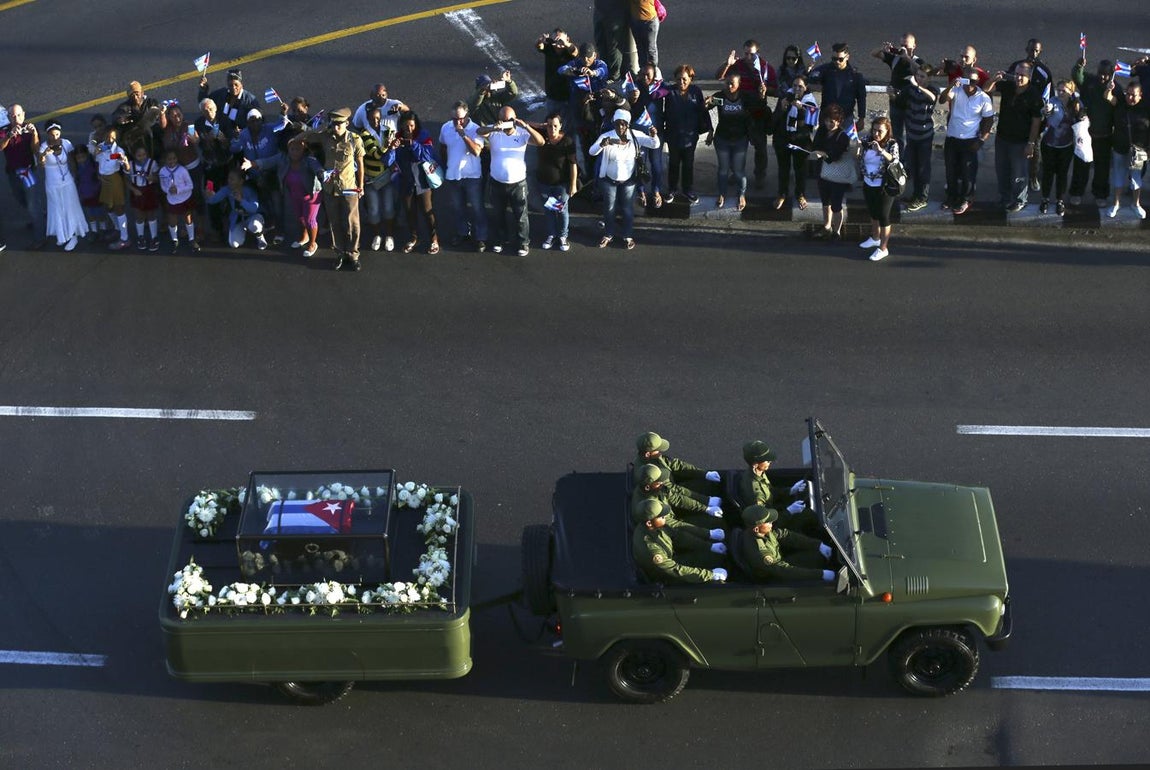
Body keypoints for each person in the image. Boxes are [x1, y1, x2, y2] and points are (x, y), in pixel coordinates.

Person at [302, 107, 365, 269]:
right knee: (334, 223)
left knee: (352, 224)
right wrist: (320, 128)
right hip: (330, 188)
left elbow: (360, 164)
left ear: (347, 123)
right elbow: (304, 137)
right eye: (333, 123)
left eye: (339, 124)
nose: (336, 127)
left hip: (349, 187)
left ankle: (353, 254)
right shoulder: (325, 137)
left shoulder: (354, 139)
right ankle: (340, 253)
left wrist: (361, 185)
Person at [477, 107, 544, 256]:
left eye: (510, 120)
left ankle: (523, 242)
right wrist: (493, 127)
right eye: (504, 120)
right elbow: (479, 131)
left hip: (518, 183)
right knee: (498, 214)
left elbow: (541, 142)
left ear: (515, 119)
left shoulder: (522, 133)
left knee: (521, 217)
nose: (507, 123)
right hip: (496, 182)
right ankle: (499, 240)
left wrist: (526, 126)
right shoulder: (495, 131)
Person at [590, 108, 659, 249]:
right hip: (609, 180)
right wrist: (602, 145)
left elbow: (654, 144)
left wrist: (654, 136)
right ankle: (608, 234)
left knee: (627, 209)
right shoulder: (607, 136)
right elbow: (592, 151)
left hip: (629, 181)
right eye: (617, 124)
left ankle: (627, 235)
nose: (620, 127)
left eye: (623, 124)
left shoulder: (635, 135)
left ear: (628, 124)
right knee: (609, 208)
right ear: (613, 123)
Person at [716, 40, 777, 189]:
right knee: (735, 145)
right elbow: (719, 76)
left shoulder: (766, 68)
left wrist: (766, 90)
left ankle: (760, 176)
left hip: (757, 113)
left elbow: (776, 90)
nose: (748, 57)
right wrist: (727, 64)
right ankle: (735, 172)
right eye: (746, 54)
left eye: (752, 54)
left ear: (758, 53)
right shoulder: (738, 66)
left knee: (760, 147)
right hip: (740, 112)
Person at [985, 63, 1044, 212]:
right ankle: (1004, 197)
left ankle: (1020, 200)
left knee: (1019, 173)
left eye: (1023, 75)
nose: (1019, 78)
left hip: (1020, 141)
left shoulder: (1034, 95)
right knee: (1002, 171)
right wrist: (994, 79)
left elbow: (1036, 121)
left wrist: (1031, 143)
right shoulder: (1008, 86)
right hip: (1002, 138)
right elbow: (986, 89)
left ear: (1029, 77)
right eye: (1017, 74)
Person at [632, 497, 728, 585]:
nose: (665, 517)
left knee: (714, 557)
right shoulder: (651, 548)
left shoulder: (655, 526)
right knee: (716, 578)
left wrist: (709, 546)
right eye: (661, 517)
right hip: (667, 577)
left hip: (671, 561)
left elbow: (679, 537)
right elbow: (675, 570)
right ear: (649, 523)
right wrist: (710, 575)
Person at [705, 73, 761, 211]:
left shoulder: (744, 98)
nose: (729, 86)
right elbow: (705, 109)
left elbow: (758, 108)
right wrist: (707, 103)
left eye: (732, 84)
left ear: (739, 84)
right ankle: (722, 193)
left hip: (740, 139)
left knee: (738, 171)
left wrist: (762, 94)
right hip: (722, 139)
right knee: (723, 169)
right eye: (727, 83)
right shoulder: (721, 97)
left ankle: (741, 194)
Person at [941, 69, 994, 215]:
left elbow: (989, 120)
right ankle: (951, 196)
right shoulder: (956, 90)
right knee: (950, 170)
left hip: (970, 141)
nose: (970, 84)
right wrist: (951, 85)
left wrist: (982, 140)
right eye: (967, 80)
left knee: (967, 172)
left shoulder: (983, 98)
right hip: (952, 138)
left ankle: (966, 199)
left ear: (978, 82)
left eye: (973, 81)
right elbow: (942, 99)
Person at [233, 107, 289, 242]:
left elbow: (282, 124)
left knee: (276, 202)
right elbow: (234, 148)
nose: (255, 123)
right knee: (264, 201)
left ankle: (280, 231)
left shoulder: (269, 129)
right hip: (255, 176)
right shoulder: (244, 134)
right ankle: (269, 223)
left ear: (261, 120)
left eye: (258, 120)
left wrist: (283, 114)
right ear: (247, 123)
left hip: (271, 173)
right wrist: (235, 139)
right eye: (252, 121)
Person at [736, 441, 817, 535]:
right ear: (755, 464)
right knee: (810, 515)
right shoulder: (756, 495)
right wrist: (789, 511)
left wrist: (791, 490)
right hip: (776, 525)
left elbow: (770, 492)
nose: (770, 462)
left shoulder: (758, 473)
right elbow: (765, 524)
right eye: (766, 460)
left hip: (777, 510)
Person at [1070, 57, 1121, 206]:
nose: (1102, 77)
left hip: (1105, 136)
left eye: (1106, 74)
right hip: (1086, 134)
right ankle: (1076, 192)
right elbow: (1077, 76)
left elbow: (1119, 106)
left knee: (1102, 168)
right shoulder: (1090, 81)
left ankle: (1100, 194)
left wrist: (1111, 94)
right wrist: (1079, 65)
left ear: (1112, 74)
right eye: (1100, 73)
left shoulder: (1116, 88)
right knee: (1081, 165)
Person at [738, 506, 835, 584]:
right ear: (756, 529)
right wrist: (821, 574)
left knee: (818, 555)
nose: (772, 523)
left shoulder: (762, 532)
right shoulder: (760, 553)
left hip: (780, 564)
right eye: (768, 522)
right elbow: (783, 571)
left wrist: (818, 545)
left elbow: (785, 535)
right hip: (776, 579)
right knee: (818, 560)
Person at [438, 101, 486, 251]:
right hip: (453, 175)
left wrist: (463, 134)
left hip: (472, 176)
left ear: (467, 115)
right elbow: (443, 147)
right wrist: (446, 165)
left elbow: (476, 151)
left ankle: (480, 237)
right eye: (454, 119)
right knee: (458, 208)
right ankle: (463, 232)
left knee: (477, 208)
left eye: (461, 119)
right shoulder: (446, 128)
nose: (458, 122)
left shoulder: (476, 129)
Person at [661, 64, 711, 205]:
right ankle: (672, 189)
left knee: (688, 164)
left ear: (690, 79)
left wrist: (710, 129)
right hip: (673, 136)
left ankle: (688, 189)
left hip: (690, 136)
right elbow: (656, 94)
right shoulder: (669, 91)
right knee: (674, 163)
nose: (681, 82)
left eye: (684, 79)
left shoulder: (696, 91)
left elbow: (703, 111)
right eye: (678, 79)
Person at [392, 111, 440, 255]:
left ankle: (434, 239)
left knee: (427, 211)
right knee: (409, 211)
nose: (409, 129)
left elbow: (426, 155)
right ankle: (414, 238)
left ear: (416, 125)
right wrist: (392, 148)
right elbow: (389, 160)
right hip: (406, 180)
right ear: (401, 125)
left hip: (422, 180)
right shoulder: (396, 137)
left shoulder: (423, 135)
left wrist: (412, 144)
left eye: (412, 126)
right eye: (406, 126)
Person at [0, 105, 47, 248]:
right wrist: (9, 136)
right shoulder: (4, 131)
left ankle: (40, 237)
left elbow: (36, 150)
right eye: (13, 116)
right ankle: (39, 216)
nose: (17, 119)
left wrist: (34, 134)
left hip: (28, 171)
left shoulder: (30, 129)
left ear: (24, 114)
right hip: (12, 172)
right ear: (9, 117)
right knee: (20, 197)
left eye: (19, 115)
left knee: (33, 205)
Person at [37, 123, 88, 251]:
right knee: (57, 209)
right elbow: (41, 164)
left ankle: (73, 236)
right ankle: (62, 235)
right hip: (52, 184)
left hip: (68, 182)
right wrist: (44, 155)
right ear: (47, 134)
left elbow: (72, 160)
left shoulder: (66, 143)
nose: (55, 137)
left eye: (57, 134)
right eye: (52, 135)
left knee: (69, 208)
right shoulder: (43, 147)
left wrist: (76, 176)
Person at [771, 75, 819, 210]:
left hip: (801, 140)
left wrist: (801, 110)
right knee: (783, 169)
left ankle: (800, 194)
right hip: (784, 138)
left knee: (800, 170)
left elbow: (811, 124)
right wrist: (782, 108)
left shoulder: (810, 102)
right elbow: (775, 119)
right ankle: (782, 193)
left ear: (806, 88)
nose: (797, 89)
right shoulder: (786, 97)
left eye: (800, 86)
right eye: (794, 86)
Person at [871, 34, 925, 151]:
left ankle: (910, 158)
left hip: (912, 104)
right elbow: (874, 53)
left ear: (914, 46)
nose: (903, 48)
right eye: (901, 45)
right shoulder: (895, 59)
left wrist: (907, 58)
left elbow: (923, 72)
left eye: (906, 46)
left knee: (912, 134)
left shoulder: (917, 61)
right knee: (897, 135)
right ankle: (898, 157)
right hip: (895, 101)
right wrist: (882, 48)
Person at [896, 69, 940, 211]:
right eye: (917, 75)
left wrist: (918, 86)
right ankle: (915, 195)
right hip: (911, 134)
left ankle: (922, 198)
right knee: (914, 167)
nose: (918, 78)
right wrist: (892, 95)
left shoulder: (932, 89)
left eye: (922, 76)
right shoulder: (910, 89)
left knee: (923, 168)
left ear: (929, 78)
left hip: (925, 136)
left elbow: (932, 98)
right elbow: (900, 102)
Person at [1038, 81, 1084, 216]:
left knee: (1062, 174)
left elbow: (1082, 117)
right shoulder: (1053, 101)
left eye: (1064, 90)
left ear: (1071, 91)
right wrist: (1046, 110)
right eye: (1058, 90)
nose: (1060, 93)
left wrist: (1082, 115)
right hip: (1049, 144)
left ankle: (1060, 200)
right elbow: (1045, 111)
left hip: (1066, 145)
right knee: (1048, 173)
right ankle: (1045, 199)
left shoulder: (1076, 103)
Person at [858, 117, 900, 262]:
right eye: (874, 130)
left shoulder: (892, 144)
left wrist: (881, 151)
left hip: (884, 185)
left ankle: (883, 248)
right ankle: (875, 237)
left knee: (883, 216)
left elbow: (895, 160)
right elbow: (859, 156)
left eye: (880, 131)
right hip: (868, 182)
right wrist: (858, 148)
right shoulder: (867, 140)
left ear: (887, 131)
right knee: (873, 212)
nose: (876, 134)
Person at [810, 103, 855, 239]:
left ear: (839, 121)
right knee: (825, 202)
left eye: (833, 121)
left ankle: (837, 231)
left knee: (836, 204)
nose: (829, 124)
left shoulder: (842, 136)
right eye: (827, 120)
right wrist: (817, 152)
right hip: (822, 172)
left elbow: (836, 156)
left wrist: (823, 154)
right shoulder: (822, 131)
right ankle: (827, 226)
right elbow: (815, 145)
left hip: (837, 176)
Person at [534, 111, 577, 251]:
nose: (552, 129)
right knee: (549, 210)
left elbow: (573, 164)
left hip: (561, 185)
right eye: (549, 126)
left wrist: (573, 184)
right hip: (544, 183)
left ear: (560, 126)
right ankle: (552, 234)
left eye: (555, 126)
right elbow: (524, 125)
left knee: (561, 210)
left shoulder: (567, 141)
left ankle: (563, 236)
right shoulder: (542, 136)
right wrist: (540, 126)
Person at [1107, 81, 1150, 219]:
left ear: (1140, 95)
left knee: (1136, 179)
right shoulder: (1120, 104)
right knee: (1118, 176)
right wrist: (1109, 89)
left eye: (1133, 95)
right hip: (1120, 148)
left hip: (1138, 151)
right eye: (1128, 94)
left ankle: (1136, 204)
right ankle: (1116, 204)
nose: (1130, 97)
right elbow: (1108, 97)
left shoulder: (1146, 109)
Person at [632, 463, 722, 528]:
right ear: (647, 487)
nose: (662, 483)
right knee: (715, 523)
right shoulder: (650, 507)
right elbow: (673, 525)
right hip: (672, 529)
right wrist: (709, 536)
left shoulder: (655, 490)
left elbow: (677, 499)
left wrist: (706, 507)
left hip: (671, 515)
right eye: (658, 482)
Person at [277, 137, 325, 257]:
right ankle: (305, 237)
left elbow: (318, 168)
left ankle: (312, 244)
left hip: (311, 195)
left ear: (304, 150)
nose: (294, 152)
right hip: (295, 194)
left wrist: (321, 174)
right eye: (292, 149)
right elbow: (267, 161)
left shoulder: (310, 160)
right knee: (300, 217)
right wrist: (252, 163)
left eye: (298, 149)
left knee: (310, 220)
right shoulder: (284, 159)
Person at [630, 62, 669, 209]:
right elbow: (627, 103)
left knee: (656, 163)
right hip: (639, 133)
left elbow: (667, 91)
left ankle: (656, 190)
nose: (645, 77)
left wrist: (655, 92)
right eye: (643, 74)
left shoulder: (659, 86)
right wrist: (633, 98)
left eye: (649, 75)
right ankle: (640, 191)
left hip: (655, 133)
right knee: (640, 163)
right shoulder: (634, 86)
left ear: (654, 76)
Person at [360, 105, 398, 253]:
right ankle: (377, 235)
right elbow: (375, 154)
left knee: (388, 208)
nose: (375, 121)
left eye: (377, 118)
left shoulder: (387, 130)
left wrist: (394, 145)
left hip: (387, 177)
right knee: (374, 210)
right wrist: (387, 146)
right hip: (371, 179)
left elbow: (393, 150)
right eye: (372, 119)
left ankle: (389, 235)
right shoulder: (364, 135)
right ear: (367, 119)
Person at [635, 432, 721, 494]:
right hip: (671, 495)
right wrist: (706, 502)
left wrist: (705, 474)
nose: (660, 451)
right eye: (658, 449)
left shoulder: (654, 457)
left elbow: (677, 465)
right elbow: (672, 491)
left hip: (673, 482)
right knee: (709, 488)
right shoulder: (651, 473)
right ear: (647, 454)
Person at [809, 43, 867, 134]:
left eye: (840, 59)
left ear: (847, 57)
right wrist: (809, 70)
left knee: (845, 142)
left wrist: (861, 118)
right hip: (826, 117)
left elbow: (861, 97)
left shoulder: (855, 75)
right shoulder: (825, 70)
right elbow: (810, 79)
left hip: (846, 118)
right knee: (823, 141)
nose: (837, 62)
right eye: (834, 59)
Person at [92, 124, 132, 249]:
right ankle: (117, 228)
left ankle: (125, 238)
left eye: (112, 138)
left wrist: (125, 162)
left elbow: (126, 168)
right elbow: (97, 161)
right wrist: (95, 154)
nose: (109, 140)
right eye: (107, 137)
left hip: (114, 180)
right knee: (108, 207)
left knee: (119, 208)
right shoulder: (99, 147)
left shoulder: (118, 151)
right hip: (104, 181)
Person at [205, 168, 266, 249]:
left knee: (254, 225)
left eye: (232, 179)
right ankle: (243, 231)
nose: (229, 181)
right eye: (229, 178)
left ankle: (260, 236)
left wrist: (241, 200)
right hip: (239, 219)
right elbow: (213, 200)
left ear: (241, 181)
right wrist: (209, 195)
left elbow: (254, 208)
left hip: (252, 217)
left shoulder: (249, 191)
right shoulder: (227, 189)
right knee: (234, 244)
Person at [197, 68, 258, 136]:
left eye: (236, 84)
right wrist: (203, 90)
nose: (233, 87)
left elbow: (257, 122)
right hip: (220, 133)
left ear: (241, 85)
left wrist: (244, 132)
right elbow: (204, 104)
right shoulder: (221, 94)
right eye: (230, 85)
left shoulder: (250, 101)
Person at [159, 149, 198, 253]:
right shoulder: (162, 171)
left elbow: (190, 185)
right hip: (172, 200)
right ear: (165, 160)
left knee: (188, 219)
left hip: (185, 198)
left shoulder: (182, 170)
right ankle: (174, 240)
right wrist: (168, 190)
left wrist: (178, 190)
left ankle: (191, 239)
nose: (172, 161)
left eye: (174, 158)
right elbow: (163, 185)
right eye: (169, 159)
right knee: (172, 221)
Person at [536, 28, 579, 120]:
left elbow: (575, 52)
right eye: (555, 40)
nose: (557, 44)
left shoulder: (569, 51)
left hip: (567, 98)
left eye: (560, 40)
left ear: (567, 39)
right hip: (552, 97)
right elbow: (539, 47)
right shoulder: (550, 49)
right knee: (552, 123)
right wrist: (540, 41)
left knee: (568, 124)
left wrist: (565, 43)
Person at [126, 144, 161, 251]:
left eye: (144, 154)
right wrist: (134, 190)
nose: (142, 157)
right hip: (137, 191)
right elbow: (126, 180)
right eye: (139, 155)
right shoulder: (130, 165)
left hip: (149, 190)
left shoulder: (152, 163)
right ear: (134, 155)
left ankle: (154, 237)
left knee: (151, 214)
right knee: (139, 215)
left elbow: (157, 177)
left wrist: (153, 178)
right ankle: (140, 237)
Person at [73, 144, 103, 240]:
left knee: (100, 213)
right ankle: (94, 231)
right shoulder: (76, 168)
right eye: (78, 158)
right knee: (90, 214)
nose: (81, 159)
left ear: (87, 155)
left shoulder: (93, 164)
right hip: (85, 194)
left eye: (83, 157)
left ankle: (103, 229)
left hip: (96, 193)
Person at [629, 0, 659, 72]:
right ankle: (643, 72)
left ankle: (653, 72)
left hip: (649, 21)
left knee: (650, 48)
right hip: (635, 20)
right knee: (640, 48)